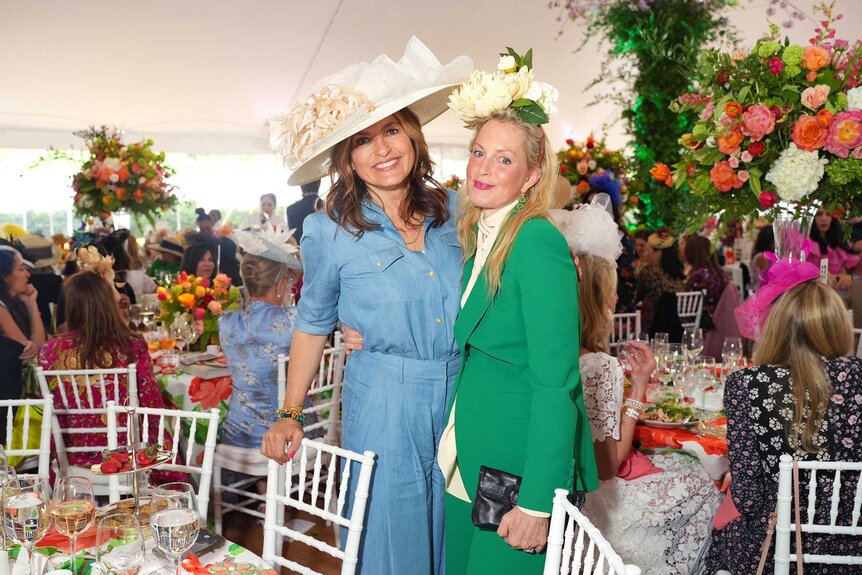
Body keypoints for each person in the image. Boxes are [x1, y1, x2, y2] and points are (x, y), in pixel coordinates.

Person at [261, 37, 471, 574]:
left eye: (392, 130)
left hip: (465, 394)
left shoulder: (459, 209)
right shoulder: (328, 231)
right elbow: (311, 326)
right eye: (363, 140)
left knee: (459, 532)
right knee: (390, 537)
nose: (382, 149)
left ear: (414, 136)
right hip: (383, 397)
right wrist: (289, 414)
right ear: (346, 158)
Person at [441, 56, 598, 575]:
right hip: (468, 451)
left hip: (513, 467)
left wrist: (537, 500)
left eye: (503, 160)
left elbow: (559, 383)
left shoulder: (536, 242)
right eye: (479, 153)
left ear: (532, 175)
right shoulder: (478, 235)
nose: (483, 168)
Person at [553, 200, 721, 573]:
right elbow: (609, 464)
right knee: (706, 484)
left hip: (566, 493)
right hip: (599, 507)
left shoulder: (559, 354)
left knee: (681, 465)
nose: (617, 299)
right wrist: (639, 387)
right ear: (594, 299)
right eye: (610, 290)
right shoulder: (599, 365)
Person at [708, 261, 862, 574]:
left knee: (716, 533)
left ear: (776, 327)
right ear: (837, 325)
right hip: (850, 542)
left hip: (778, 543)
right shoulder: (858, 375)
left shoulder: (746, 384)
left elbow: (748, 493)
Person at [37, 269, 184, 483]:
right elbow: (150, 405)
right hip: (126, 455)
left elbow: (49, 407)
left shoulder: (48, 351)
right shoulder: (131, 346)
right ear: (109, 303)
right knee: (159, 424)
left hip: (71, 457)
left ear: (71, 306)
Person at [219, 226, 302, 448]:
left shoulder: (225, 322)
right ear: (281, 285)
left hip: (237, 435)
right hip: (284, 434)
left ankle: (262, 484)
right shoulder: (295, 320)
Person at [0, 249, 45, 436]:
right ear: (5, 276)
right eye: (21, 269)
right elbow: (31, 351)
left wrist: (31, 304)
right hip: (10, 399)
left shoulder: (14, 303)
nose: (27, 274)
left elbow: (39, 346)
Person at [637, 229, 685, 336]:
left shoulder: (649, 272)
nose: (645, 254)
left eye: (647, 250)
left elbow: (637, 296)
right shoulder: (678, 275)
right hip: (678, 329)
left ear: (658, 253)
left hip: (652, 326)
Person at [684, 234, 729, 331]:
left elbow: (690, 308)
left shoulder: (699, 276)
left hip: (702, 326)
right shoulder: (721, 274)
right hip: (720, 322)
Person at [809, 207, 858, 291]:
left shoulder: (837, 245)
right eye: (819, 214)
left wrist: (843, 278)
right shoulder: (804, 243)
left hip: (833, 294)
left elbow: (843, 275)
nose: (824, 218)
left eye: (828, 214)